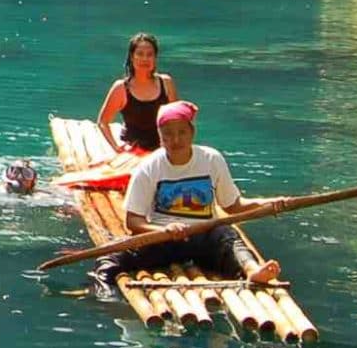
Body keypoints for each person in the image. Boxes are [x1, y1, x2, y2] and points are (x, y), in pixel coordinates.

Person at [96, 101, 281, 287]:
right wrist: (164, 230)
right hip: (163, 239)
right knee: (112, 257)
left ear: (192, 133)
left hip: (205, 237)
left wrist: (270, 204)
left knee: (228, 236)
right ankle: (101, 286)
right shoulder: (148, 167)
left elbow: (233, 206)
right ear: (160, 137)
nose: (176, 140)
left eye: (182, 132)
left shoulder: (211, 159)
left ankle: (252, 271)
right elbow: (133, 222)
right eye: (168, 134)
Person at [96, 32, 180, 155]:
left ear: (155, 58)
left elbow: (177, 119)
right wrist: (117, 148)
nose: (145, 59)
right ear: (132, 56)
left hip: (163, 149)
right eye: (140, 54)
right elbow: (103, 122)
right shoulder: (121, 88)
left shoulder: (166, 83)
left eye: (149, 55)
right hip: (133, 152)